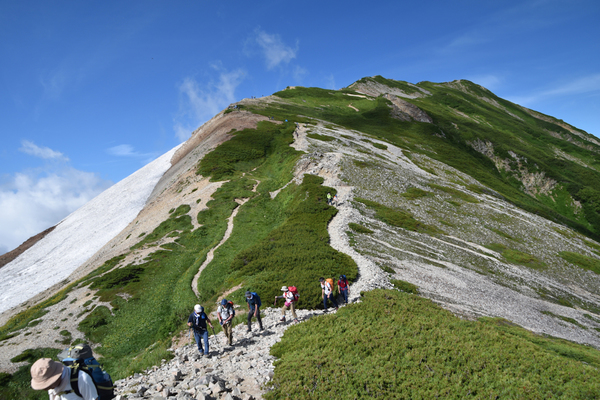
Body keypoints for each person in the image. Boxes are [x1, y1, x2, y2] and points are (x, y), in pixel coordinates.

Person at [31, 358, 98, 400]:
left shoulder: (82, 379)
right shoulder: (52, 385)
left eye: (47, 384)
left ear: (56, 377)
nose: (45, 389)